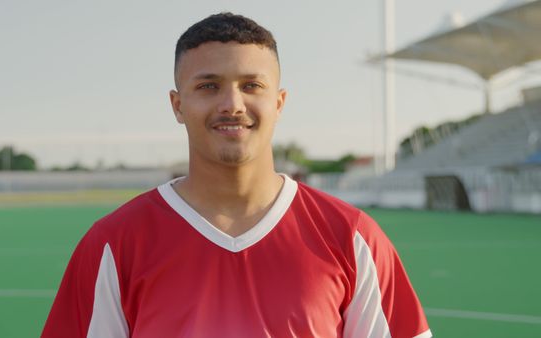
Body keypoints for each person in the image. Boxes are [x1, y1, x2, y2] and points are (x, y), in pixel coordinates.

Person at [42, 13, 432, 338]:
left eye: (252, 86)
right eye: (208, 86)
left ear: (279, 102)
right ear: (178, 105)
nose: (232, 105)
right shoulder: (114, 243)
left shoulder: (352, 237)